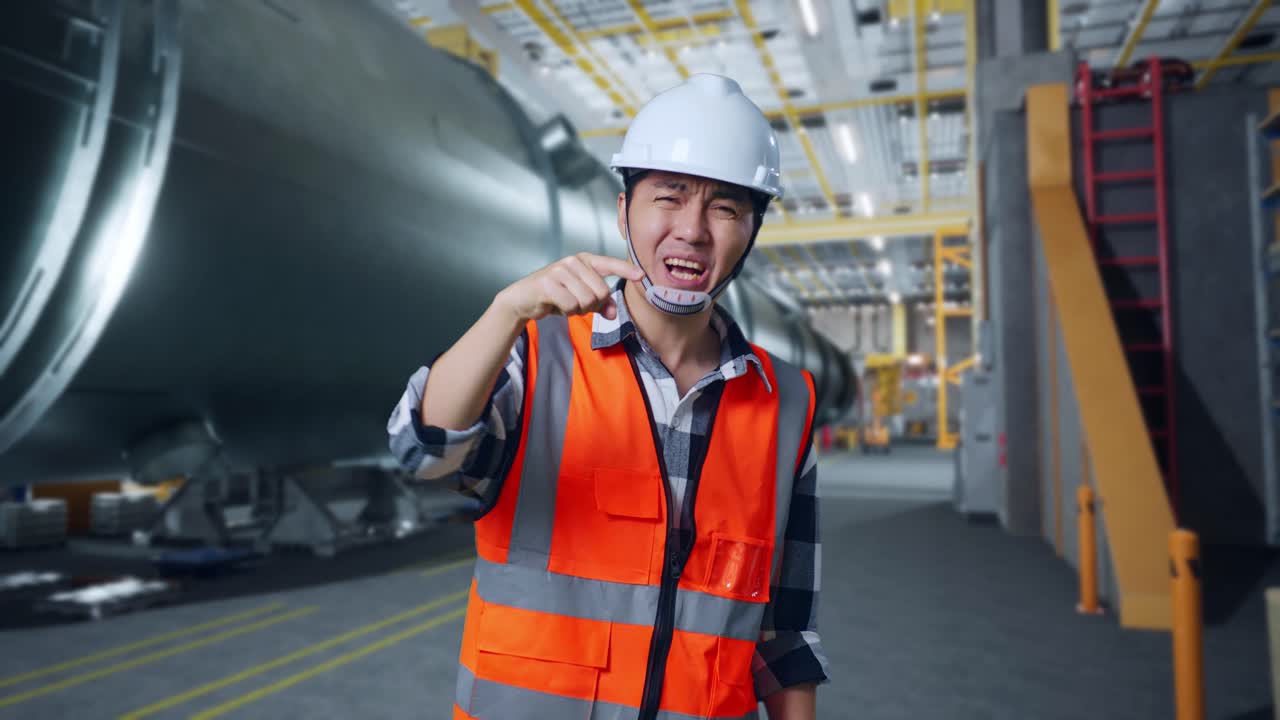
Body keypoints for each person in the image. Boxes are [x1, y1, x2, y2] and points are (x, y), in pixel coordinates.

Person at [388, 73, 828, 720]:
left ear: (752, 232)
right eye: (668, 199)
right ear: (624, 213)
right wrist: (505, 310)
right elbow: (419, 454)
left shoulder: (787, 401)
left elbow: (786, 634)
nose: (693, 230)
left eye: (726, 208)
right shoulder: (535, 358)